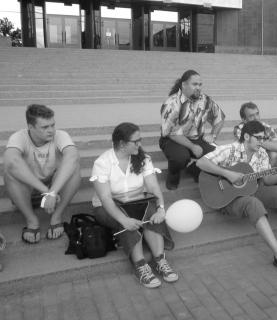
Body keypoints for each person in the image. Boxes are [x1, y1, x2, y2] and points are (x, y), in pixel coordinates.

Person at [197, 120, 277, 275]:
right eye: (259, 138)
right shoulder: (230, 149)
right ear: (247, 136)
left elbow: (268, 180)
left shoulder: (261, 153)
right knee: (253, 203)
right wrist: (228, 173)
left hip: (251, 190)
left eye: (264, 138)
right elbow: (201, 162)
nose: (262, 142)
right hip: (227, 198)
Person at [91, 123, 176, 288]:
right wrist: (124, 220)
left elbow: (153, 187)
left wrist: (161, 209)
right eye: (135, 141)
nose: (140, 144)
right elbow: (106, 198)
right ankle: (140, 266)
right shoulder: (102, 163)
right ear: (122, 144)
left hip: (137, 202)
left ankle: (160, 260)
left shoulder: (143, 158)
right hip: (107, 208)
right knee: (127, 218)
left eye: (140, 140)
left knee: (151, 210)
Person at [4, 104, 81, 244]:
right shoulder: (19, 137)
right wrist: (46, 191)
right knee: (9, 170)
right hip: (29, 191)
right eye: (45, 127)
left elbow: (72, 157)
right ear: (31, 127)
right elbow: (11, 161)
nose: (51, 130)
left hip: (55, 191)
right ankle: (31, 220)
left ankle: (56, 216)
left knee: (74, 167)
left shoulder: (60, 135)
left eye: (53, 125)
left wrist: (53, 191)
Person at [159, 70, 225, 190]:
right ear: (184, 85)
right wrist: (193, 147)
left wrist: (213, 135)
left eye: (200, 85)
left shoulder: (205, 100)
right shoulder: (171, 103)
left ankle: (194, 169)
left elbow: (219, 118)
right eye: (194, 84)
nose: (198, 88)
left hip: (197, 138)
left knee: (219, 155)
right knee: (180, 158)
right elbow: (172, 133)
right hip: (173, 140)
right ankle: (173, 176)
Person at [234, 102, 277, 167]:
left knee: (273, 154)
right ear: (244, 120)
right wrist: (262, 141)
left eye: (257, 114)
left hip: (262, 155)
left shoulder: (266, 127)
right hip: (247, 156)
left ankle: (265, 175)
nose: (256, 118)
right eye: (251, 116)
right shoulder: (239, 129)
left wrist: (255, 140)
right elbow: (244, 147)